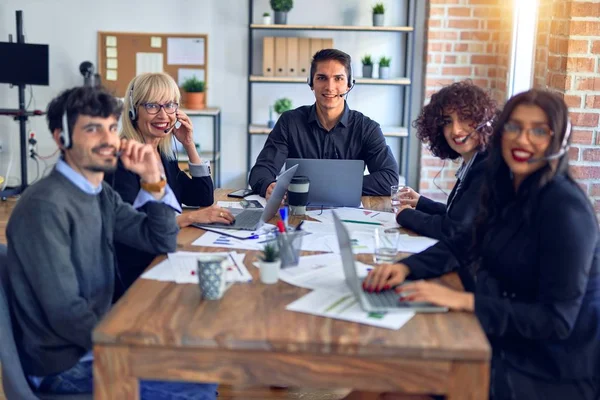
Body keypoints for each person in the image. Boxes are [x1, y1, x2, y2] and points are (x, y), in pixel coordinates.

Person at [363, 89, 600, 399]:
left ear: (559, 141)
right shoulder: (507, 187)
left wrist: (464, 301)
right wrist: (405, 268)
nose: (522, 140)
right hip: (509, 336)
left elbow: (556, 321)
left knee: (396, 384)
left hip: (553, 366)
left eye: (539, 131)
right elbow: (464, 243)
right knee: (378, 380)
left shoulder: (565, 208)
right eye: (514, 127)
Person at [6, 86, 217, 399]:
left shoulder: (98, 193)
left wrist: (153, 181)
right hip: (65, 364)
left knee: (202, 365)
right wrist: (140, 339)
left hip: (99, 339)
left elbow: (160, 239)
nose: (108, 140)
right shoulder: (45, 206)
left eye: (110, 128)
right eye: (93, 129)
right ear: (61, 138)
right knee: (195, 386)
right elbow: (67, 313)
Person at [105, 73, 234, 298]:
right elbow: (135, 227)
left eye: (170, 105)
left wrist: (188, 144)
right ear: (134, 111)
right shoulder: (124, 159)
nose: (164, 115)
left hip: (167, 251)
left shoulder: (164, 154)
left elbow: (202, 197)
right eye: (153, 106)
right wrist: (191, 218)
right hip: (140, 267)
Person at [249, 49, 399, 200]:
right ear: (311, 83)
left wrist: (334, 186)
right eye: (322, 78)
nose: (330, 87)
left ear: (349, 84)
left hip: (348, 212)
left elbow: (389, 178)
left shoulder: (367, 128)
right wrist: (268, 186)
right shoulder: (290, 122)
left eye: (338, 78)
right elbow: (261, 171)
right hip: (299, 212)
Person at [396, 80, 496, 241]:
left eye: (464, 117)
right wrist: (421, 203)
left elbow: (453, 229)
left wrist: (406, 215)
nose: (455, 130)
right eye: (447, 121)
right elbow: (458, 216)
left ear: (482, 120)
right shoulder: (473, 161)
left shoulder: (486, 167)